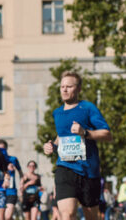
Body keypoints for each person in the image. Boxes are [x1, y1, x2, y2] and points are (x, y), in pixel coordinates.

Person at [43, 71, 112, 220]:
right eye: (62, 86)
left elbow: (107, 134)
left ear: (79, 89)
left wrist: (85, 133)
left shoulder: (87, 108)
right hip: (65, 169)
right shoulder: (57, 113)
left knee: (92, 217)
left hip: (88, 172)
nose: (65, 90)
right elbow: (61, 137)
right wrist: (52, 146)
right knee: (67, 215)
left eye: (69, 86)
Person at [0, 139, 22, 220]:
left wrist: (22, 184)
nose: (1, 151)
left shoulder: (13, 159)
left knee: (7, 216)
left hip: (11, 190)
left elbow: (21, 173)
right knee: (0, 217)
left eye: (2, 149)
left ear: (6, 149)